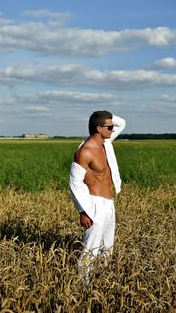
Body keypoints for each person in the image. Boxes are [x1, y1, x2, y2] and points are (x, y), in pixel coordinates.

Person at [69, 110, 125, 283]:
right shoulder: (85, 151)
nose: (113, 129)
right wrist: (83, 210)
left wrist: (104, 117)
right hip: (94, 205)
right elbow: (74, 183)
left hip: (109, 204)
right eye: (109, 127)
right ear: (99, 128)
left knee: (107, 249)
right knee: (90, 250)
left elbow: (122, 122)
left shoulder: (106, 143)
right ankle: (81, 288)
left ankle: (101, 283)